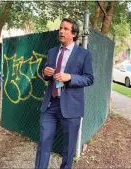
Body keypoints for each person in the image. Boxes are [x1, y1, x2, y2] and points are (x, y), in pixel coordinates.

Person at [34, 18, 94, 169]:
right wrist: (45, 72)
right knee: (43, 144)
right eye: (61, 28)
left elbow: (89, 78)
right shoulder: (52, 52)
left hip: (71, 107)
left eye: (66, 29)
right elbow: (47, 75)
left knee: (68, 150)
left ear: (74, 34)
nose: (61, 31)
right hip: (50, 104)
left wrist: (70, 77)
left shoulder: (84, 54)